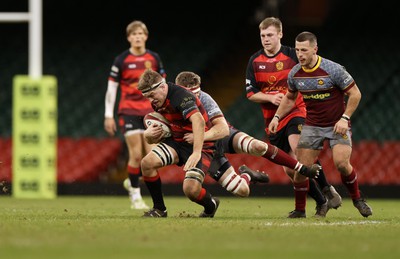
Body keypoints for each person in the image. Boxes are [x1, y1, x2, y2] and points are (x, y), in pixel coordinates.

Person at [269, 31, 373, 218]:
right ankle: (301, 210)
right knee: (301, 169)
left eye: (304, 50)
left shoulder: (333, 69)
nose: (300, 54)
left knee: (341, 164)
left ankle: (358, 199)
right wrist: (277, 117)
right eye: (298, 50)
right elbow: (290, 97)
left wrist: (345, 118)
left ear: (315, 49)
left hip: (337, 124)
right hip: (312, 126)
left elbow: (356, 94)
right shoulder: (295, 73)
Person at [245, 17, 342, 218]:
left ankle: (325, 188)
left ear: (280, 34)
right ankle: (320, 201)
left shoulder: (293, 55)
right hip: (272, 119)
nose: (266, 39)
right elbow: (250, 93)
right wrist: (270, 97)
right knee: (291, 170)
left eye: (270, 35)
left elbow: (310, 74)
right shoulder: (254, 61)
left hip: (297, 111)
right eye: (262, 36)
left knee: (299, 150)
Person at [175, 71, 320, 198]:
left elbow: (224, 130)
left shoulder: (205, 99)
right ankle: (248, 175)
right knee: (242, 191)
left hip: (219, 136)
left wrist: (199, 137)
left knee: (258, 146)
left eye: (197, 94)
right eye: (190, 95)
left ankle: (302, 168)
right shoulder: (170, 104)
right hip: (205, 151)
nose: (195, 99)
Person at [138, 69, 220, 218]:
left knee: (191, 190)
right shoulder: (158, 100)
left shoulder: (181, 96)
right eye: (146, 97)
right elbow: (163, 128)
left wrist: (196, 153)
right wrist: (148, 136)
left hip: (200, 144)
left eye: (151, 95)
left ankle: (211, 205)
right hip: (177, 141)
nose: (150, 101)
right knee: (147, 164)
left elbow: (198, 120)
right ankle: (159, 209)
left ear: (162, 87)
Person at [103, 20, 166, 210]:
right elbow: (112, 88)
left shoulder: (154, 58)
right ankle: (136, 197)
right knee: (136, 154)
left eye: (140, 34)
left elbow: (163, 84)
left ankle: (132, 180)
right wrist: (108, 115)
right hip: (128, 110)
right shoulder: (121, 60)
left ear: (146, 36)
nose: (137, 37)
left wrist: (164, 109)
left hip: (149, 111)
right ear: (129, 37)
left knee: (154, 156)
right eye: (133, 34)